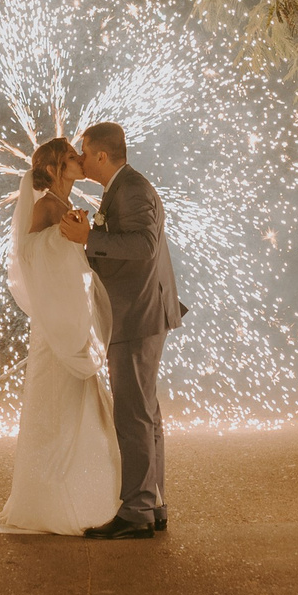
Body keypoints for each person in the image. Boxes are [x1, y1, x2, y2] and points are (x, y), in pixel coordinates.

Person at [0, 138, 121, 534]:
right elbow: (28, 254)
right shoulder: (47, 205)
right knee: (55, 404)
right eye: (71, 158)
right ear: (57, 167)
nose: (79, 161)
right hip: (56, 324)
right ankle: (47, 501)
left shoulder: (67, 206)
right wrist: (61, 239)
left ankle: (81, 494)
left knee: (80, 406)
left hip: (72, 317)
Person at [58, 121, 185, 539]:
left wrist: (89, 237)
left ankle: (137, 511)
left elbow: (144, 245)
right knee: (145, 413)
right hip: (141, 312)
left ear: (101, 156)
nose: (79, 157)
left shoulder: (131, 189)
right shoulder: (123, 188)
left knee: (133, 413)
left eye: (84, 151)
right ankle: (153, 503)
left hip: (136, 315)